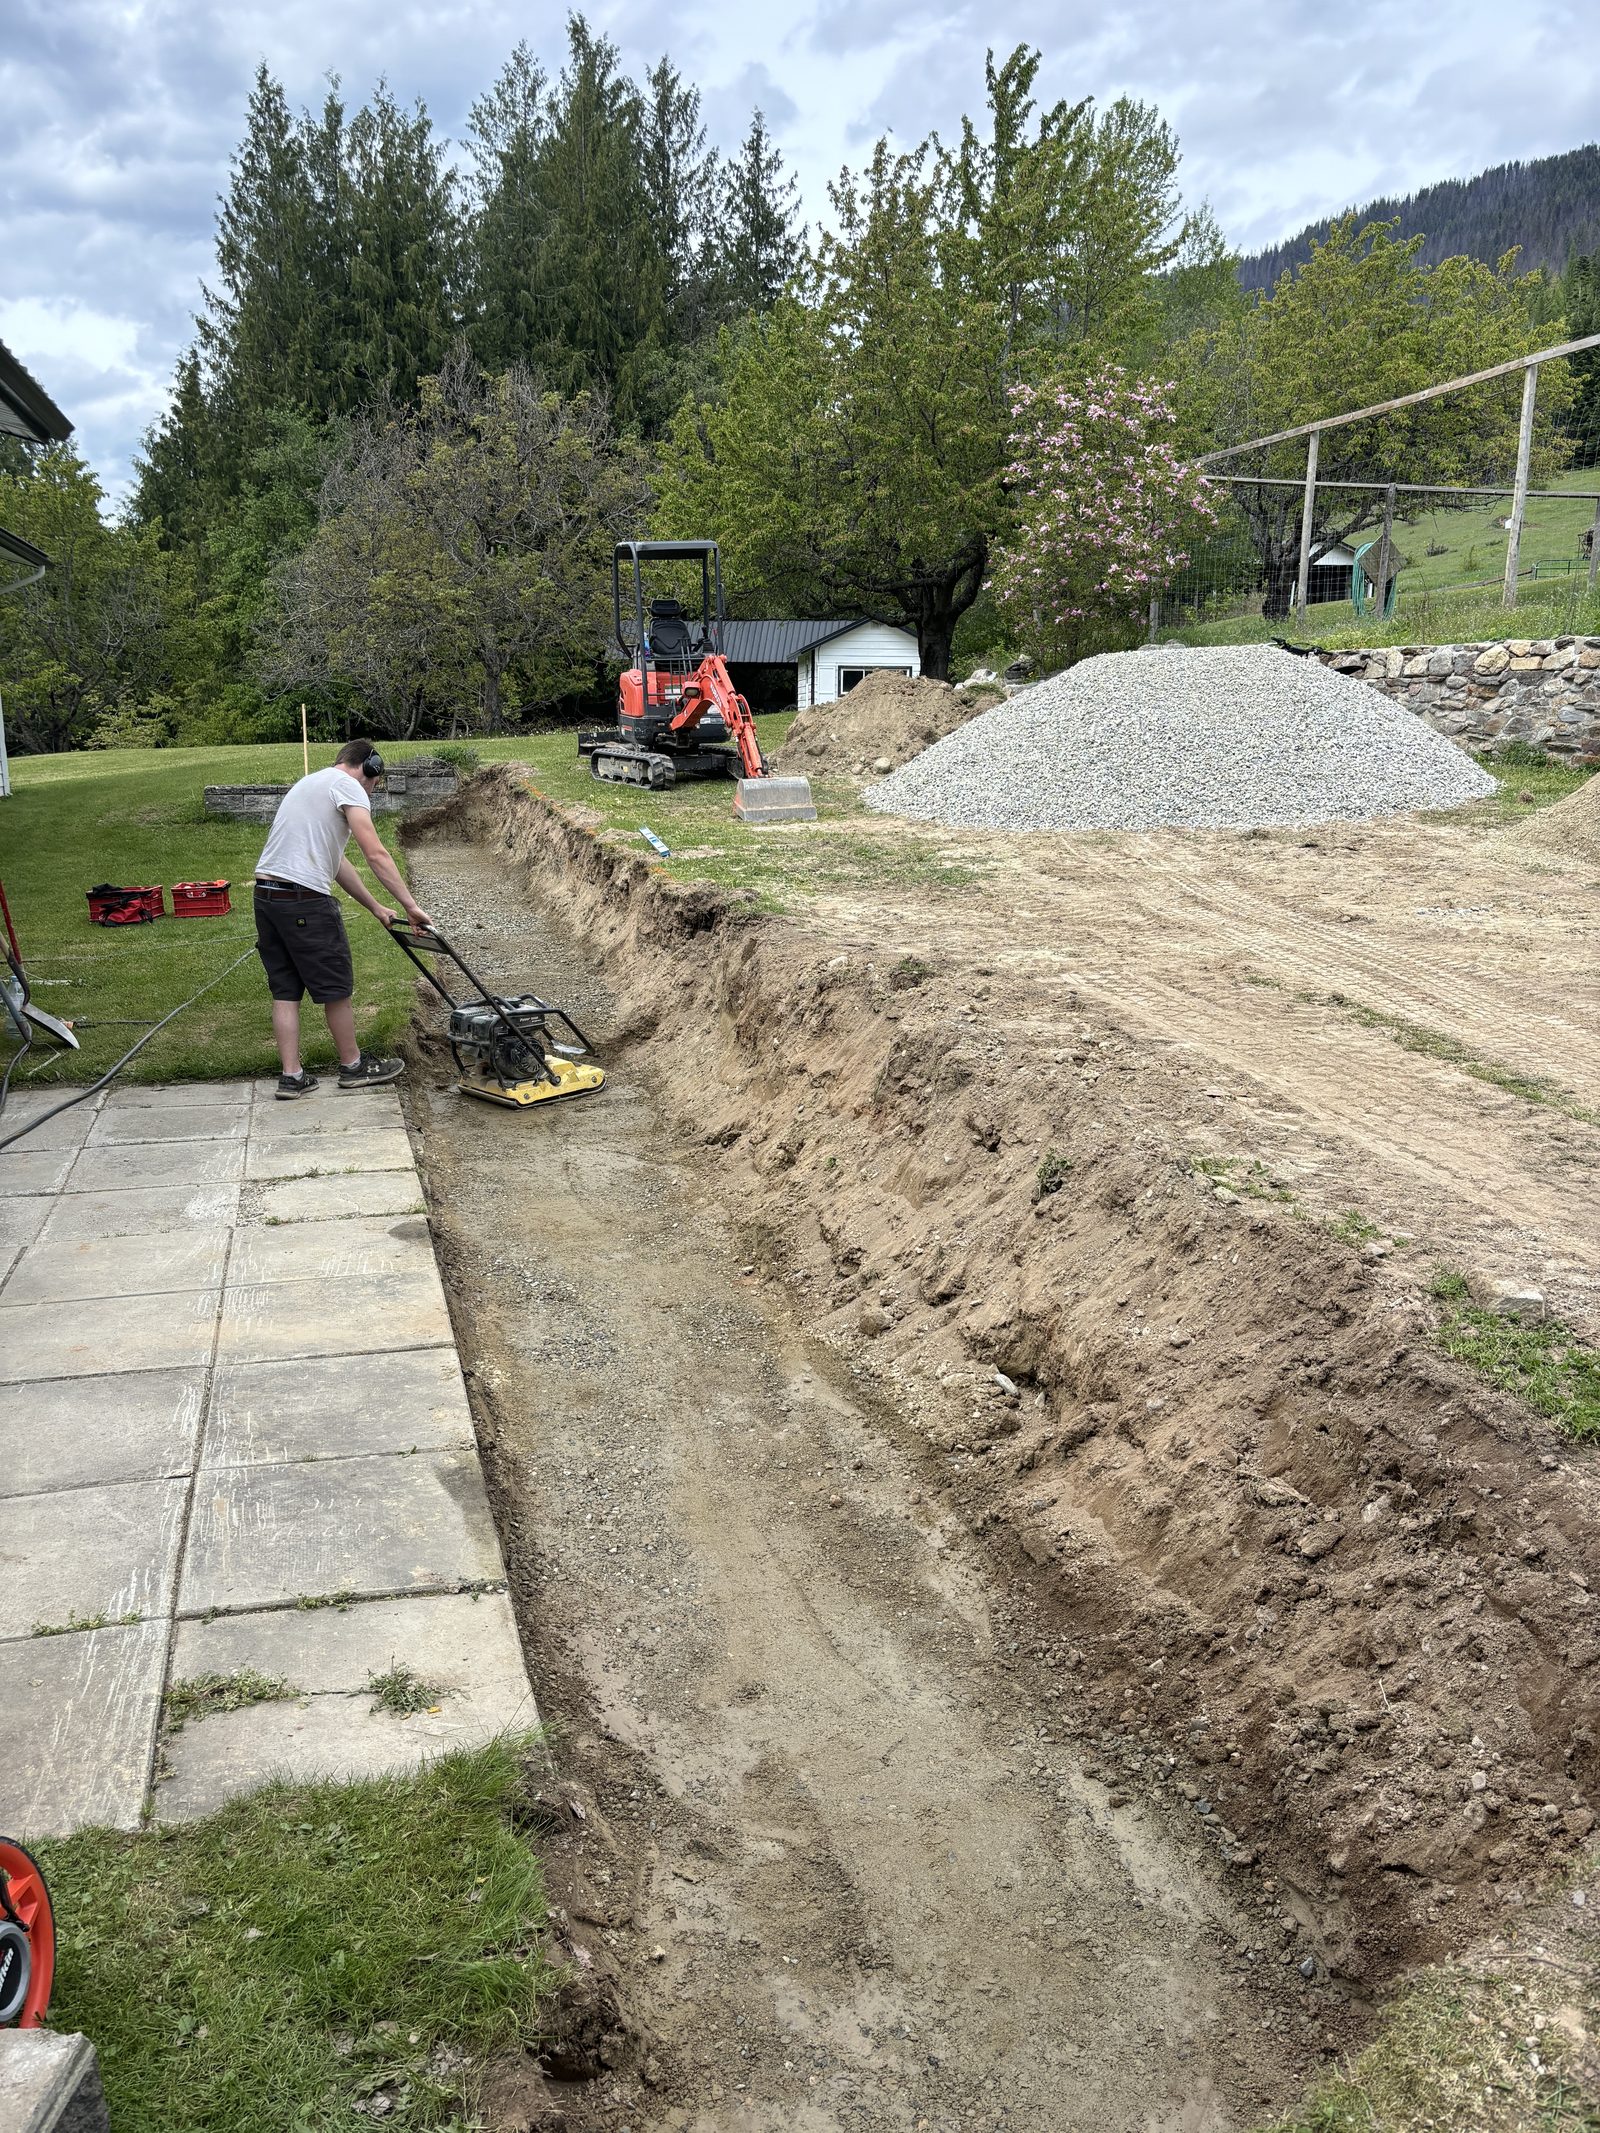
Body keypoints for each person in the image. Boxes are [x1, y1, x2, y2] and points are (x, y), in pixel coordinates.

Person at [253, 738, 433, 1098]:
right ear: (371, 768)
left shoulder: (311, 783)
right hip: (304, 901)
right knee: (336, 989)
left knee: (285, 990)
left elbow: (336, 861)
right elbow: (375, 853)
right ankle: (353, 1067)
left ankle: (292, 1077)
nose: (373, 789)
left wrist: (377, 907)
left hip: (266, 897)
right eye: (375, 782)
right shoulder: (349, 786)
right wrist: (410, 905)